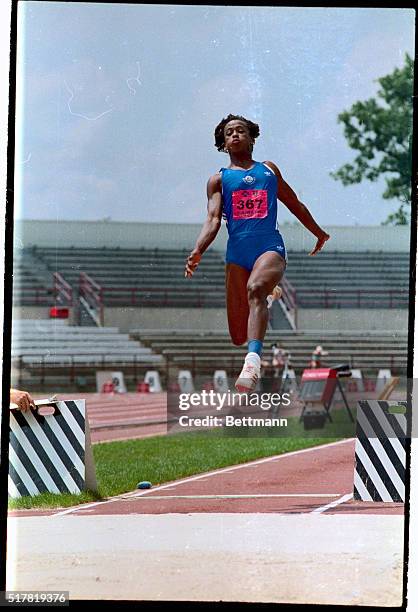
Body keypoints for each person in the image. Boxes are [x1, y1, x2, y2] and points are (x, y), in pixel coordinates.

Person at [185, 113, 330, 392]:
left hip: (269, 247)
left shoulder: (268, 171)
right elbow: (214, 220)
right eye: (229, 133)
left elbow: (294, 203)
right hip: (237, 254)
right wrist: (198, 249)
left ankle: (252, 364)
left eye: (241, 131)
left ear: (252, 138)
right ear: (223, 144)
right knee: (238, 335)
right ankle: (270, 296)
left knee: (255, 288)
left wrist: (318, 233)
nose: (235, 135)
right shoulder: (218, 180)